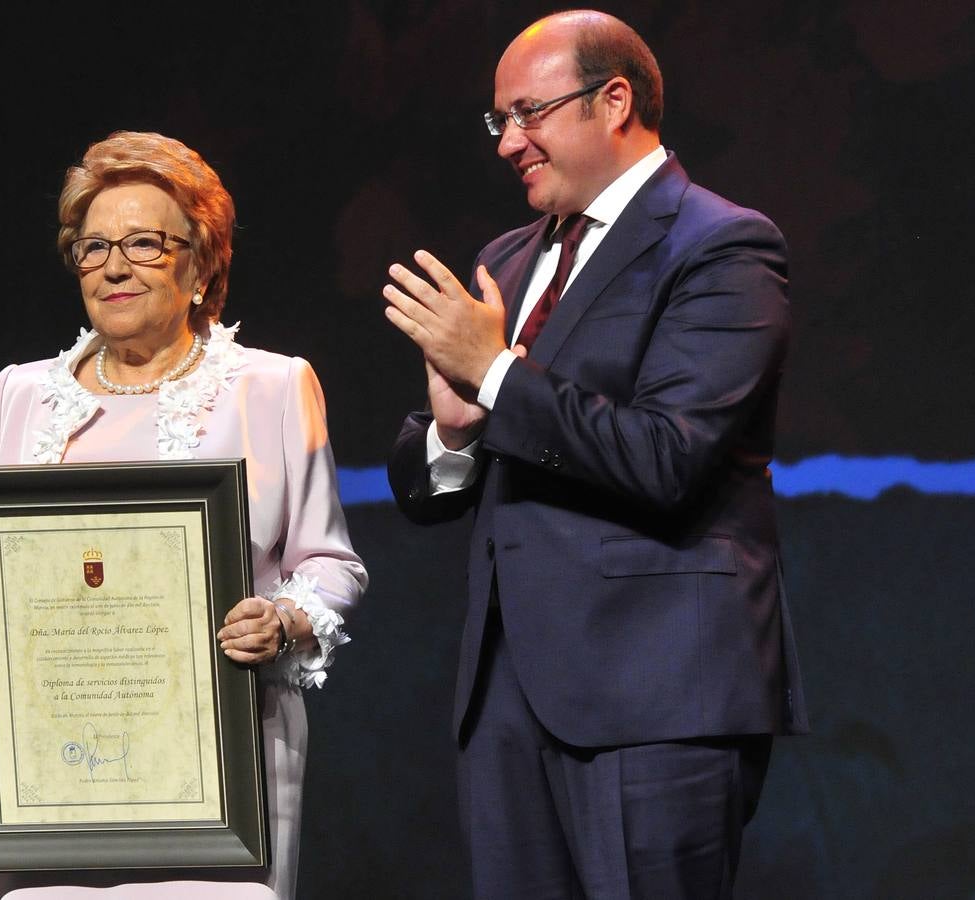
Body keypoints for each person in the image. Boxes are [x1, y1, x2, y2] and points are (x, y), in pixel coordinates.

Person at [383, 11, 807, 899]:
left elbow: (668, 456)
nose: (508, 142)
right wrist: (455, 431)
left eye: (528, 113)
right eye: (499, 120)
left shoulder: (721, 244)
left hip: (656, 697)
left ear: (614, 100)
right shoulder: (506, 259)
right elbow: (434, 485)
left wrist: (495, 374)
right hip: (507, 700)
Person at [0, 131, 367, 900]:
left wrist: (281, 620)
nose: (114, 266)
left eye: (144, 244)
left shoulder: (271, 387)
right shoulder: (21, 395)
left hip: (223, 784)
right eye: (93, 247)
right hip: (47, 791)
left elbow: (331, 564)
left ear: (202, 264)